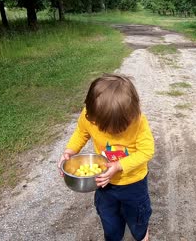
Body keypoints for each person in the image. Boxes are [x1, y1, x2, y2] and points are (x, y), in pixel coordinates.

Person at [57, 73, 154, 241]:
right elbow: (81, 132)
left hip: (133, 184)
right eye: (104, 128)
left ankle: (142, 235)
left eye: (116, 130)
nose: (109, 134)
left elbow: (146, 151)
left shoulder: (137, 121)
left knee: (138, 220)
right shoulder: (90, 115)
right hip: (104, 184)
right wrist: (70, 151)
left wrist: (118, 166)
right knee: (110, 223)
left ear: (129, 116)